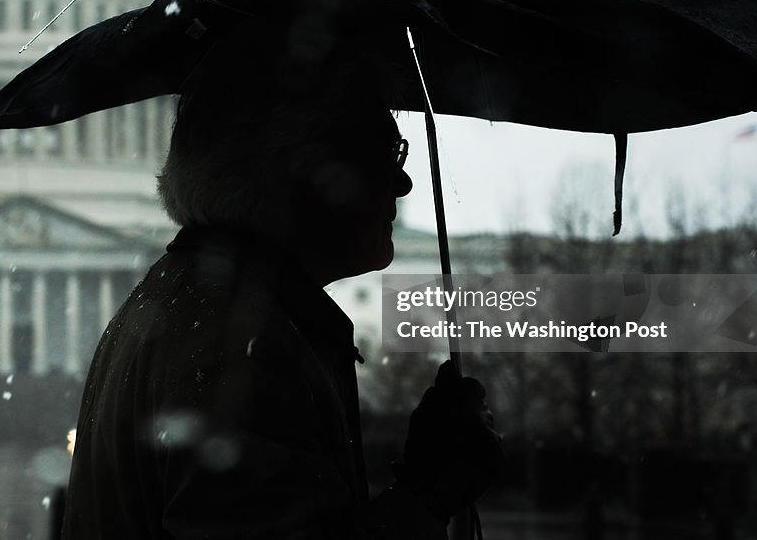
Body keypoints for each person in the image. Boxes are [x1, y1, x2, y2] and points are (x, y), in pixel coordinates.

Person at [61, 35, 503, 540]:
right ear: (299, 171)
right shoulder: (239, 344)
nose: (402, 183)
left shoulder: (192, 304)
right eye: (384, 153)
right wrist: (431, 490)